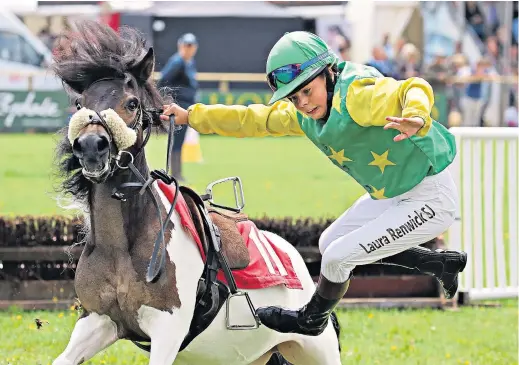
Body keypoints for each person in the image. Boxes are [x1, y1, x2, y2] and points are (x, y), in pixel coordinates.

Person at [160, 31, 468, 336]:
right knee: (328, 244)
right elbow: (251, 119)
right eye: (294, 97)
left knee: (337, 257)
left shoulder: (358, 96)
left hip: (430, 198)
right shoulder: (303, 115)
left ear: (329, 73)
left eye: (307, 91)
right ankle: (438, 264)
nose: (303, 103)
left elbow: (413, 87)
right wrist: (191, 116)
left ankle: (313, 319)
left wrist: (415, 113)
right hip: (392, 195)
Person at [158, 33, 199, 181]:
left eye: (191, 45)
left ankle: (177, 172)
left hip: (186, 106)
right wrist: (170, 100)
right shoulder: (177, 62)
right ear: (180, 45)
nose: (189, 48)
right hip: (179, 107)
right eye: (186, 45)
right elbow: (162, 81)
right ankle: (174, 173)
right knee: (177, 140)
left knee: (180, 141)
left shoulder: (189, 63)